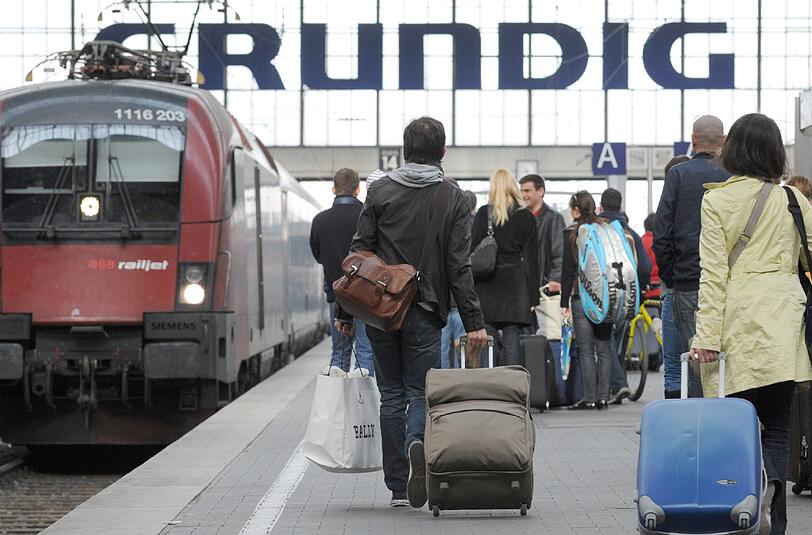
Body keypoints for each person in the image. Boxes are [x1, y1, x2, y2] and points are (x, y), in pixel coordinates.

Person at [336, 116, 487, 509]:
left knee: (390, 395)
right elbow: (459, 266)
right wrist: (474, 323)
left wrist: (345, 311)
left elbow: (357, 253)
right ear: (442, 152)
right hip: (426, 308)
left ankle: (398, 487)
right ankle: (417, 441)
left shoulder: (380, 190)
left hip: (382, 308)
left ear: (404, 149)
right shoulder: (451, 195)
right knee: (419, 392)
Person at [690, 113, 812, 535]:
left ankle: (742, 507)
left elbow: (712, 274)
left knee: (735, 430)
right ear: (777, 153)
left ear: (733, 150)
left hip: (735, 326)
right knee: (777, 428)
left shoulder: (718, 200)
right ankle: (774, 506)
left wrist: (705, 336)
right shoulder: (795, 202)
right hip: (783, 324)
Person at [653, 115, 730, 398]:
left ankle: (697, 427)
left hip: (687, 282)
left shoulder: (679, 174)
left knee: (694, 361)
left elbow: (662, 232)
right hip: (728, 284)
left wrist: (671, 276)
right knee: (727, 360)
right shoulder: (735, 176)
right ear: (723, 141)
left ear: (693, 139)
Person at [309, 168, 375, 376]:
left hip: (336, 296)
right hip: (366, 296)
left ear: (333, 189)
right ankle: (363, 405)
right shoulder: (366, 216)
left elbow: (318, 255)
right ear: (358, 190)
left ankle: (337, 404)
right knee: (365, 352)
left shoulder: (320, 221)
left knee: (339, 352)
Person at [471, 169, 540, 367]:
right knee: (512, 339)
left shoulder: (484, 213)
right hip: (515, 286)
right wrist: (532, 298)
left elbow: (473, 251)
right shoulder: (526, 217)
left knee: (488, 339)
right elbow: (532, 261)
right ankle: (514, 388)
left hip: (487, 285)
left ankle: (488, 388)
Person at [597, 188, 651, 405]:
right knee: (616, 342)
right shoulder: (630, 233)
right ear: (620, 207)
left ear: (601, 207)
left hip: (604, 296)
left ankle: (619, 384)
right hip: (628, 297)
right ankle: (615, 387)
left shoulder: (596, 230)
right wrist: (641, 287)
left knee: (606, 341)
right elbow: (645, 267)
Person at [560, 191, 613, 410]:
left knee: (585, 349)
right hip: (606, 295)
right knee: (604, 348)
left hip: (581, 296)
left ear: (575, 210)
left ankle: (590, 398)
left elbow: (567, 270)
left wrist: (563, 303)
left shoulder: (572, 232)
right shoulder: (605, 229)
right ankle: (604, 397)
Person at [658, 155, 690, 399]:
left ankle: (676, 424)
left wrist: (670, 278)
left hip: (673, 291)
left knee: (673, 366)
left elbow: (662, 243)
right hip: (703, 289)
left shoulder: (667, 206)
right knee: (701, 363)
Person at [519, 174, 565, 295]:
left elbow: (560, 253)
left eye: (527, 191)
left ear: (540, 191)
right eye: (522, 191)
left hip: (544, 286)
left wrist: (555, 278)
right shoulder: (520, 218)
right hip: (523, 286)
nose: (524, 195)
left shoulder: (553, 218)